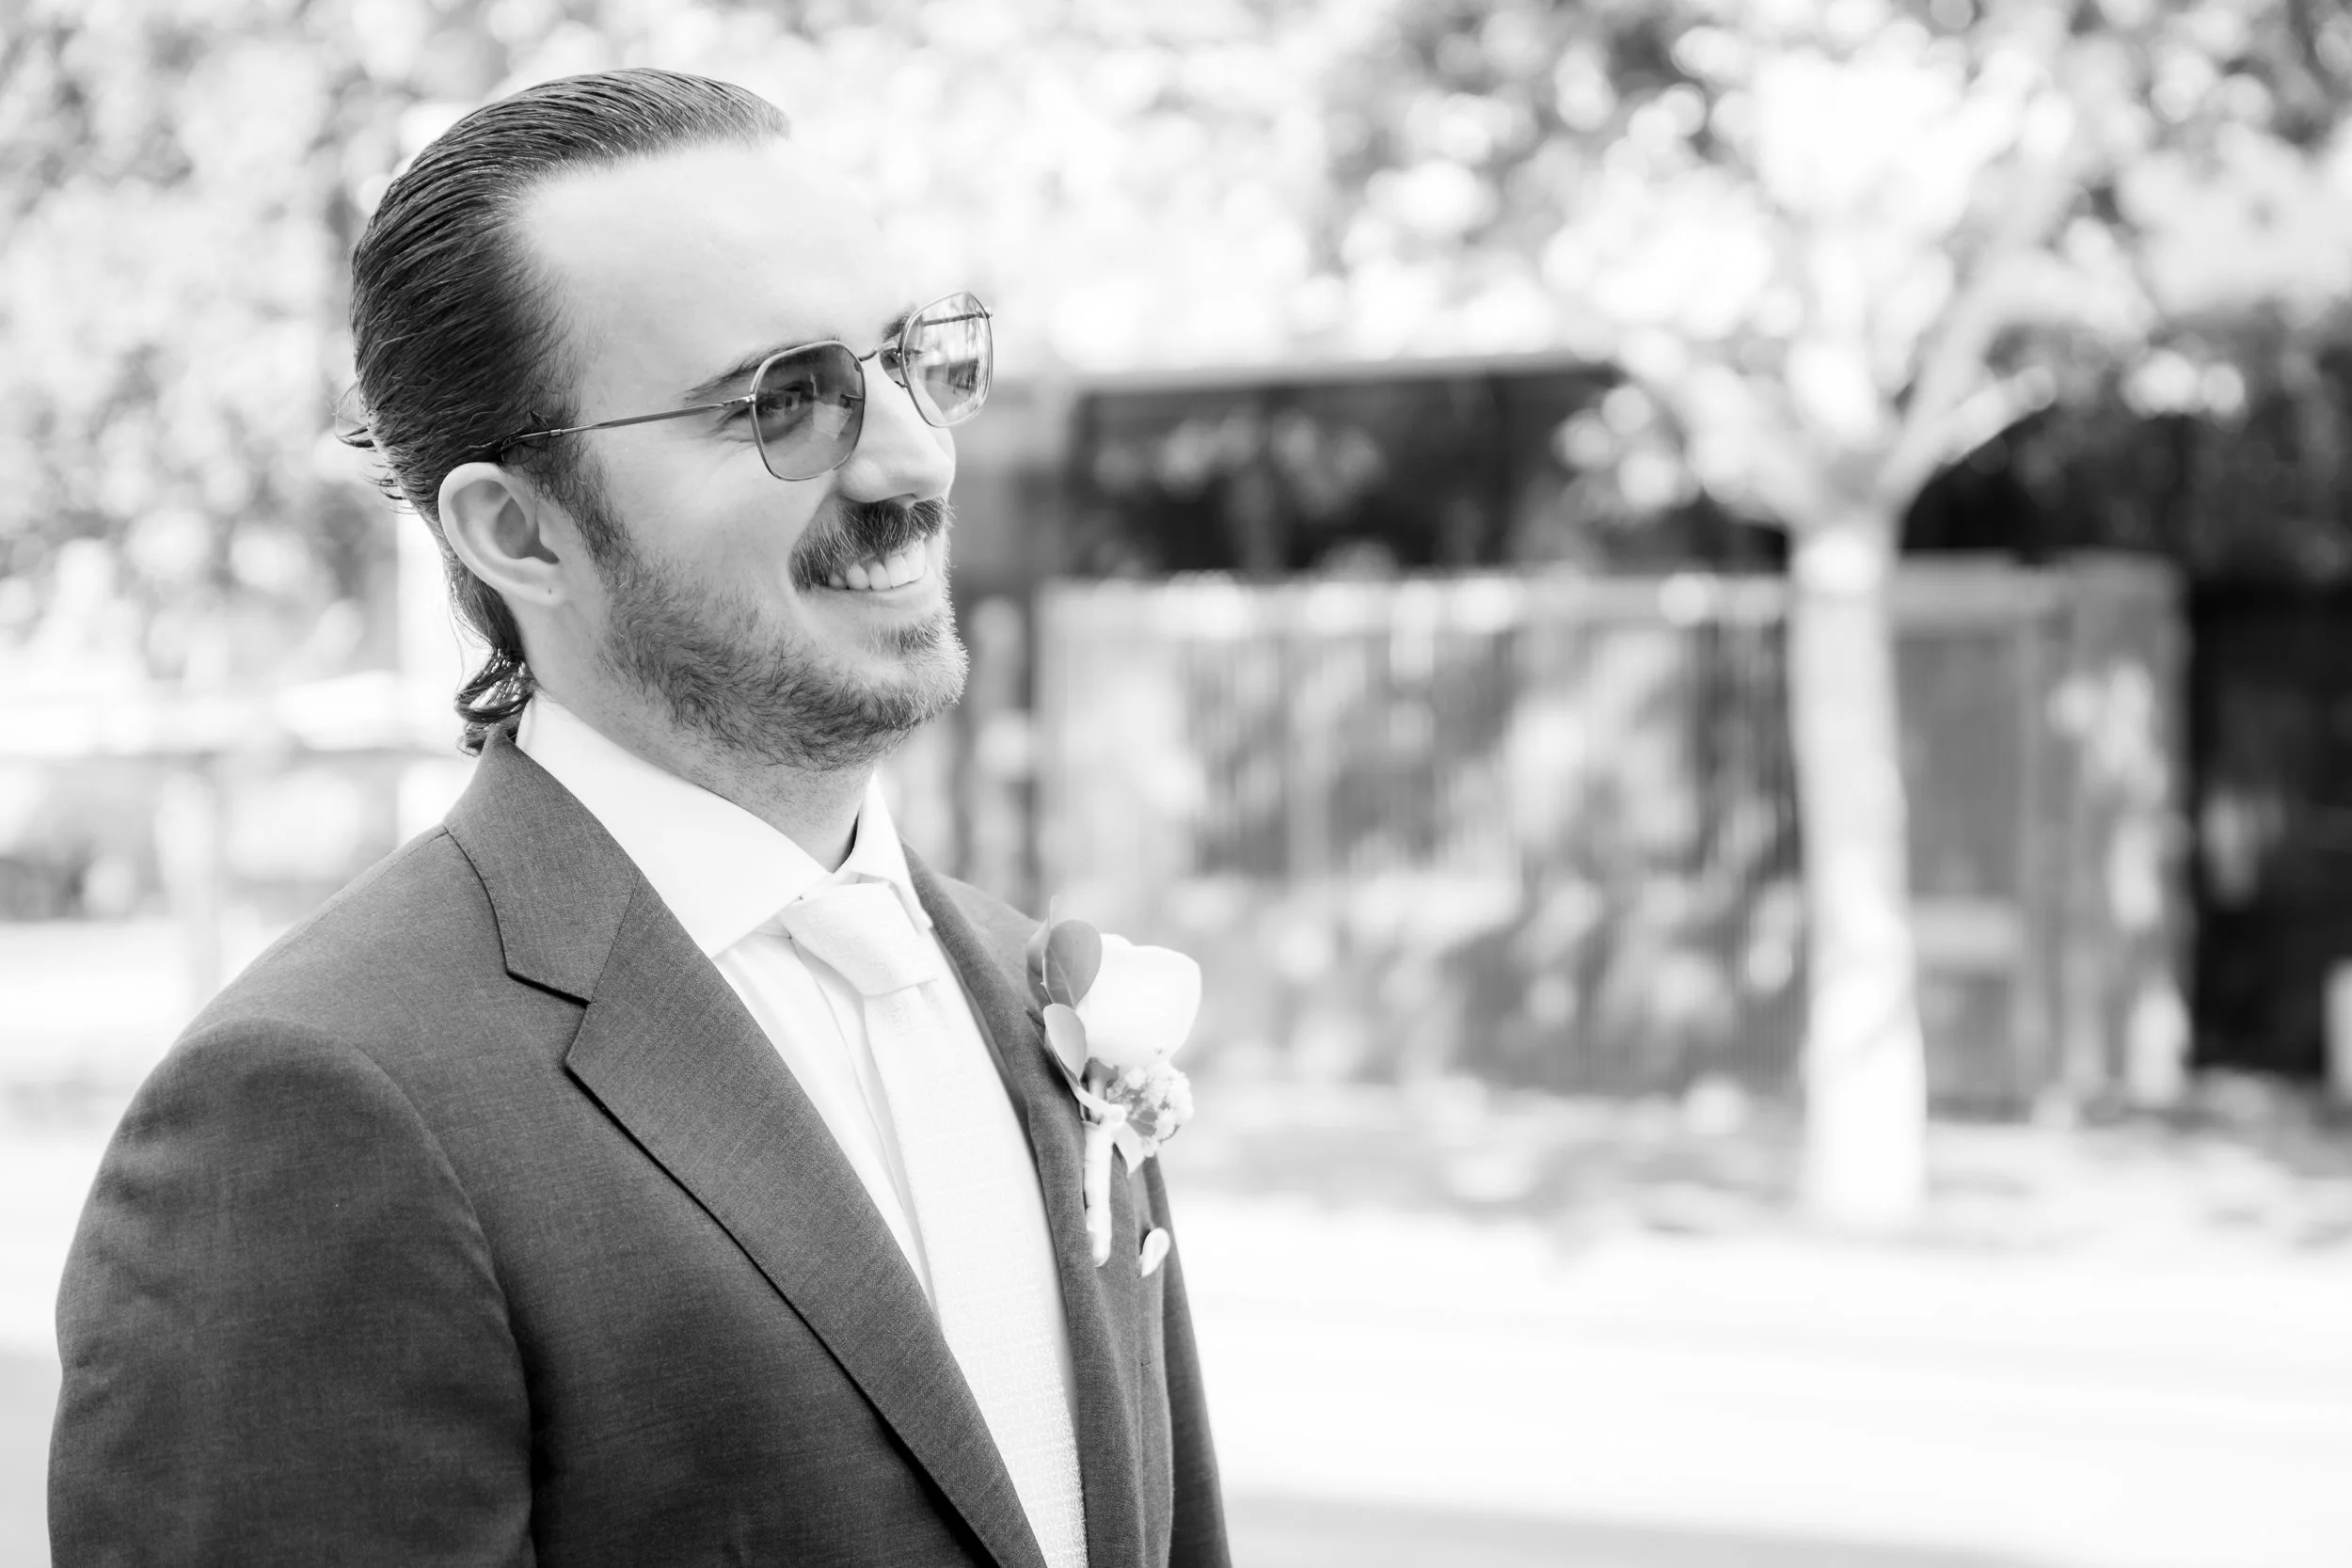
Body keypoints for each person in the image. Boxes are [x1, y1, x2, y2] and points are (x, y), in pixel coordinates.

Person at [49, 68, 1227, 1568]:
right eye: (785, 403)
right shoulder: (315, 1107)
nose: (916, 460)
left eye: (914, 360)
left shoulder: (1036, 1000)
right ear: (517, 529)